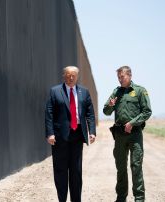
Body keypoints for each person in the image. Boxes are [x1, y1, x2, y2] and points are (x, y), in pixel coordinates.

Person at [45, 66, 96, 202]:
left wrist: (92, 132)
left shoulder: (84, 92)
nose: (71, 77)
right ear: (64, 75)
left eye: (74, 75)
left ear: (77, 76)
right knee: (61, 171)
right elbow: (49, 114)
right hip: (60, 138)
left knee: (76, 172)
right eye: (68, 75)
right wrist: (50, 133)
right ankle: (62, 199)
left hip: (77, 136)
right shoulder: (55, 91)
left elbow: (90, 114)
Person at [103, 66, 152, 202]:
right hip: (119, 135)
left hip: (135, 134)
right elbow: (106, 111)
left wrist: (132, 123)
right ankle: (121, 198)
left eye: (122, 77)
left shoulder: (140, 91)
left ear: (129, 75)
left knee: (136, 166)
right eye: (118, 77)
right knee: (121, 167)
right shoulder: (116, 92)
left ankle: (139, 199)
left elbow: (147, 111)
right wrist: (111, 105)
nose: (120, 80)